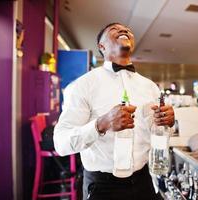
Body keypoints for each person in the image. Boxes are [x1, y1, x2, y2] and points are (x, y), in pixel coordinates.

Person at [53, 23, 175, 200]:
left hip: (144, 182)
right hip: (103, 187)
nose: (124, 30)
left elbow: (158, 133)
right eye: (114, 30)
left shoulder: (150, 88)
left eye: (127, 30)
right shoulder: (82, 86)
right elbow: (61, 143)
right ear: (101, 47)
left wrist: (168, 123)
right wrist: (101, 124)